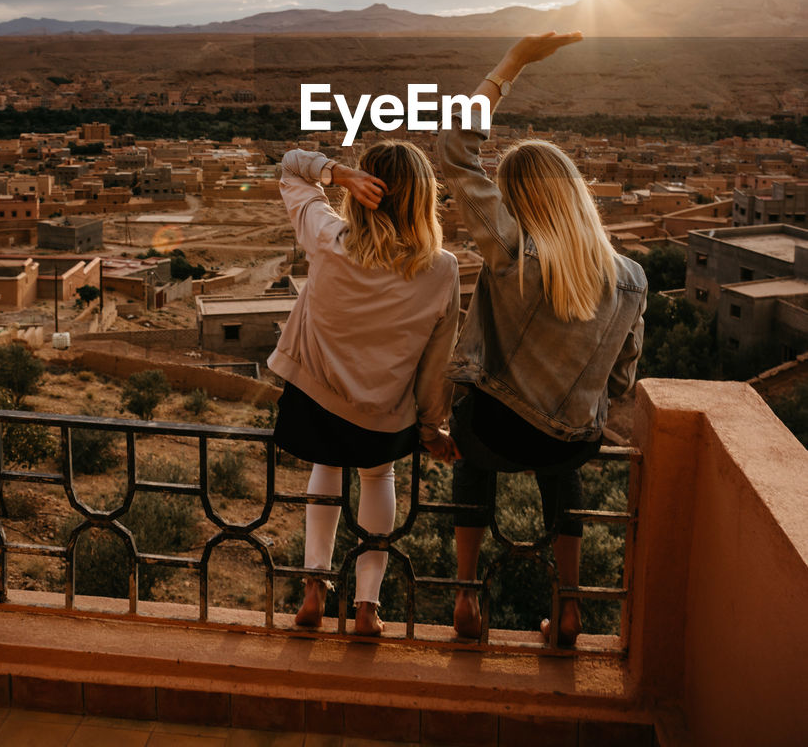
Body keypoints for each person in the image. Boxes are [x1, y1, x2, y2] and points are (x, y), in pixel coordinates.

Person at [436, 32, 646, 646]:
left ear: (519, 196)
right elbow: (623, 377)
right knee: (566, 472)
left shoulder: (512, 250)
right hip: (568, 443)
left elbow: (453, 152)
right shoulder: (630, 278)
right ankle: (572, 604)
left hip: (490, 432)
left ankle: (467, 596)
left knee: (472, 465)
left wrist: (512, 65)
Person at [268, 140, 459, 636]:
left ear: (364, 192)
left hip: (315, 401)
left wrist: (338, 174)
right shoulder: (441, 269)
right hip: (383, 417)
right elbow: (437, 365)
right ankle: (367, 608)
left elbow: (290, 168)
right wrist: (433, 426)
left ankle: (314, 588)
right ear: (423, 200)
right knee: (378, 478)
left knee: (325, 465)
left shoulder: (327, 237)